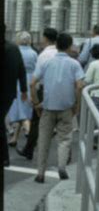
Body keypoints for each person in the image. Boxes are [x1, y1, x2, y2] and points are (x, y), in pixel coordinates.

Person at [30, 32, 85, 183]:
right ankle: (62, 166)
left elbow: (32, 84)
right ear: (69, 46)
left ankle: (40, 173)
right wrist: (77, 104)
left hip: (47, 107)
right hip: (66, 108)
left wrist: (36, 103)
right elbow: (80, 86)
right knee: (64, 138)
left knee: (44, 140)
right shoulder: (75, 64)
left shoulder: (47, 63)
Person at [17, 27, 58, 161]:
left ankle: (29, 149)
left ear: (45, 38)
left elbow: (36, 78)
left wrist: (34, 98)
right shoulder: (58, 53)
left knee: (36, 120)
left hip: (44, 90)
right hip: (56, 90)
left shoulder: (43, 55)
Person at [7, 32, 38, 147]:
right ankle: (15, 137)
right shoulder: (34, 53)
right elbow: (36, 68)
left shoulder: (15, 51)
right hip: (30, 80)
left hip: (17, 80)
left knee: (19, 109)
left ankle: (27, 130)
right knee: (26, 108)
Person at [1, 35, 28, 167]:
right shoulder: (14, 49)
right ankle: (4, 158)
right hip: (9, 93)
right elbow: (21, 70)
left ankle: (5, 157)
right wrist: (23, 89)